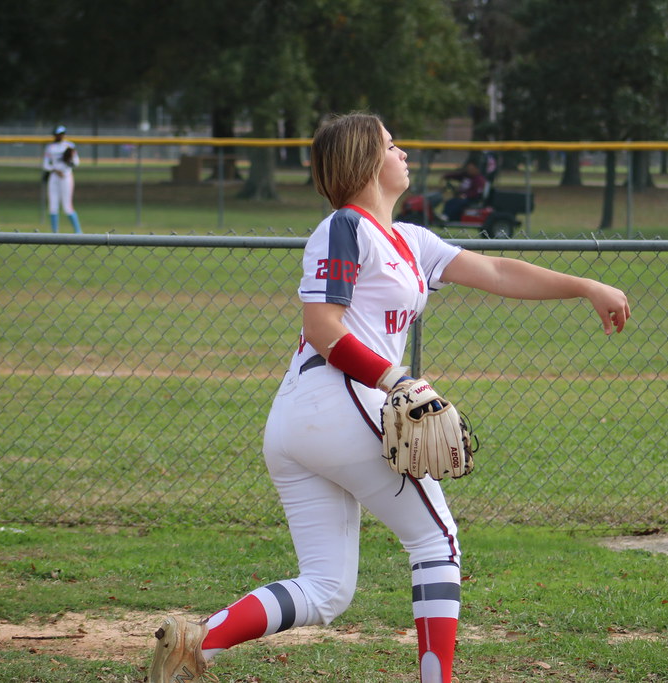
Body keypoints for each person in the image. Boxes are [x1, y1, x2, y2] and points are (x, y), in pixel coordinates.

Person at [148, 112, 631, 683]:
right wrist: (393, 380)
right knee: (437, 541)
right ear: (364, 160)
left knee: (327, 588)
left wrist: (584, 286)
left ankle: (196, 644)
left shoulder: (409, 240)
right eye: (391, 144)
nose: (403, 153)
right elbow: (324, 327)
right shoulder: (343, 227)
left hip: (305, 419)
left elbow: (499, 271)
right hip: (339, 400)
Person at [42, 125, 82, 233]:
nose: (58, 136)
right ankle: (55, 232)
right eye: (57, 134)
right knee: (53, 205)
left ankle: (78, 231)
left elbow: (76, 162)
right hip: (54, 176)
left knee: (67, 206)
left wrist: (69, 162)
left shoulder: (69, 145)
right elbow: (45, 165)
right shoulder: (50, 147)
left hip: (66, 176)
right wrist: (55, 169)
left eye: (60, 134)